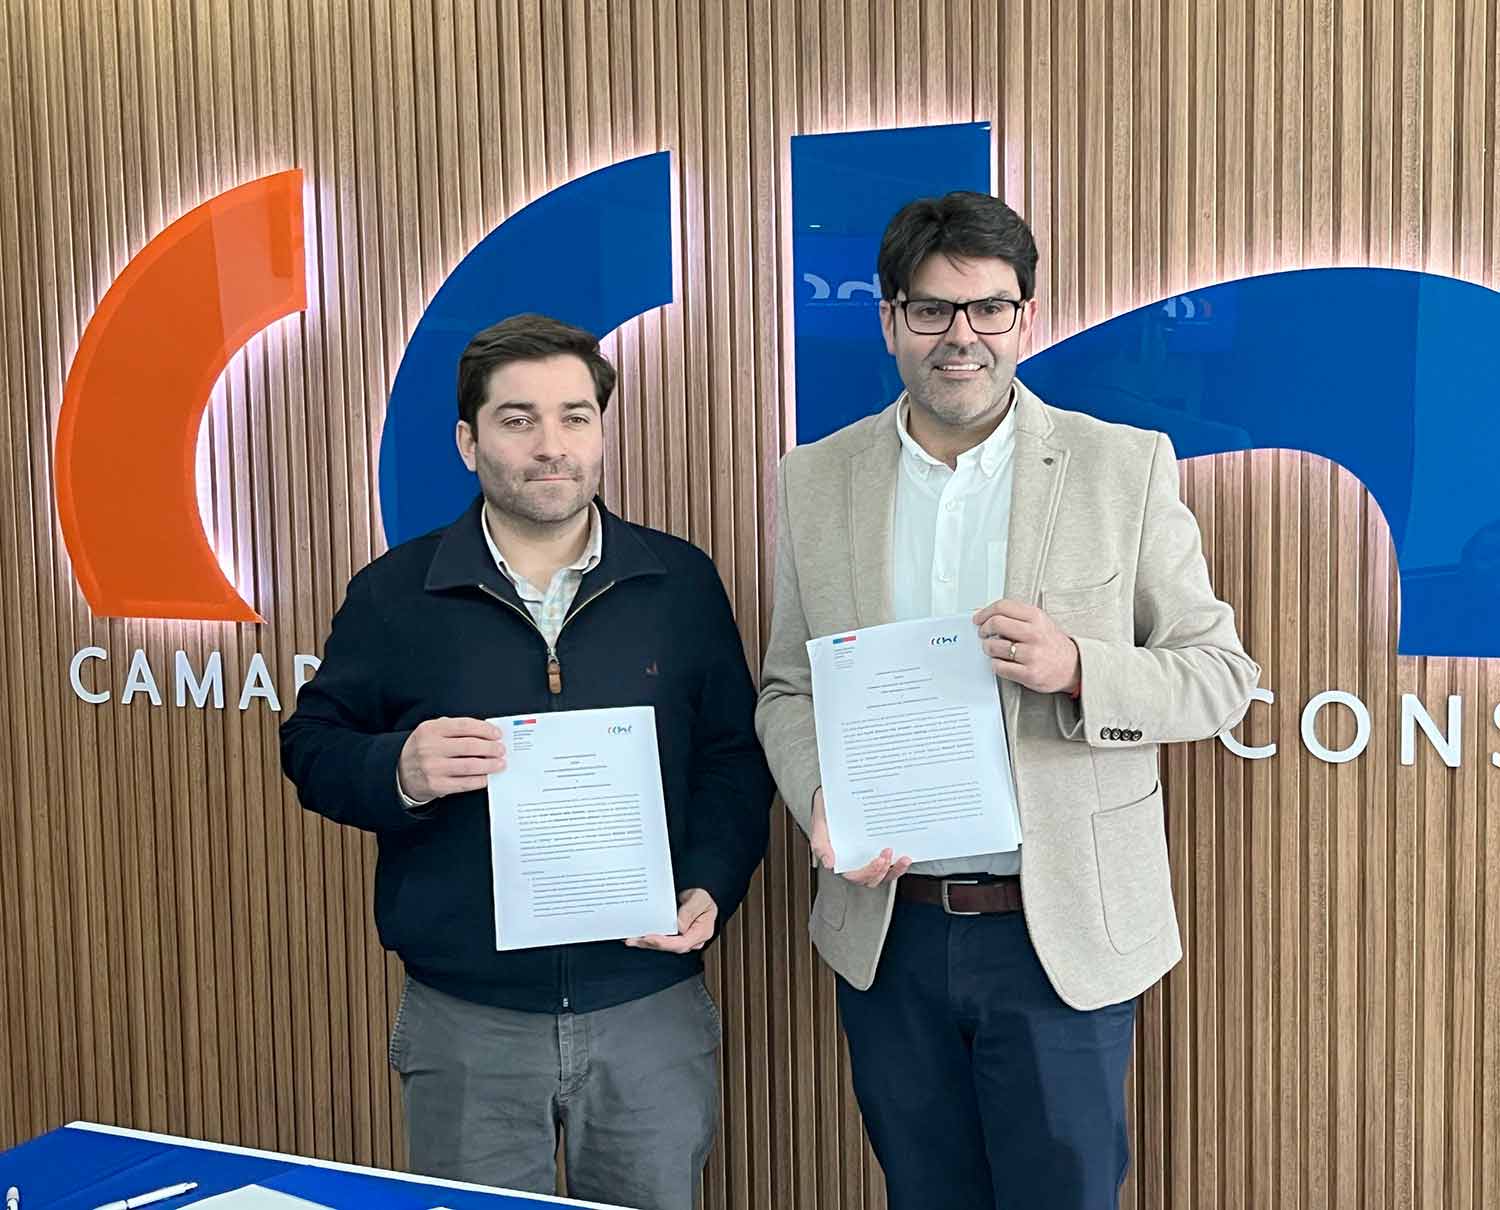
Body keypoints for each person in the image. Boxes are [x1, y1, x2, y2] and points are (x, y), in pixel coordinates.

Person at [755, 191, 1259, 1209]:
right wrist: (819, 796)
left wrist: (1079, 666)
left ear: (1025, 317)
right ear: (890, 320)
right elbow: (788, 686)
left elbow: (1220, 676)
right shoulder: (814, 479)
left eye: (989, 308)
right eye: (932, 309)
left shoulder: (1122, 466)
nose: (962, 336)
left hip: (1057, 930)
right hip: (889, 927)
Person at [281, 313, 772, 1210]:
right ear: (469, 443)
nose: (552, 445)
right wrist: (399, 770)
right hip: (466, 1019)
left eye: (575, 416)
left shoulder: (679, 583)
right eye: (518, 420)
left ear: (601, 431)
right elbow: (312, 746)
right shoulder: (396, 592)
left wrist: (710, 881)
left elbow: (732, 758)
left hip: (648, 1008)